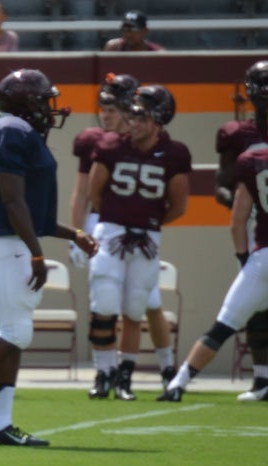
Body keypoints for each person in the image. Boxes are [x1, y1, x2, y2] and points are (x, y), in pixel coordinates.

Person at [0, 69, 96, 448]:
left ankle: (1, 425)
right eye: (44, 99)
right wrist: (39, 253)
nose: (49, 107)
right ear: (27, 101)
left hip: (12, 243)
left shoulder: (18, 132)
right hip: (4, 244)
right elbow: (11, 201)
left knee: (13, 332)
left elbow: (32, 212)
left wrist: (70, 234)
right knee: (16, 332)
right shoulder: (12, 130)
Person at [70, 72, 177, 396]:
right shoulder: (94, 140)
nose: (106, 115)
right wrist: (77, 233)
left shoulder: (154, 142)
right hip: (104, 225)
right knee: (104, 301)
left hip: (138, 229)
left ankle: (167, 366)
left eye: (114, 109)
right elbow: (83, 193)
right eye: (103, 108)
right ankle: (106, 372)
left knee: (149, 303)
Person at [159, 138, 268, 402]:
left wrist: (244, 260)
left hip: (265, 258)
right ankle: (263, 381)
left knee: (224, 325)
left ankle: (178, 384)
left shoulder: (254, 162)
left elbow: (237, 222)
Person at [214, 60, 268, 401]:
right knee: (256, 307)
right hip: (254, 227)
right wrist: (242, 203)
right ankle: (262, 378)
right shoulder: (235, 134)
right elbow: (221, 184)